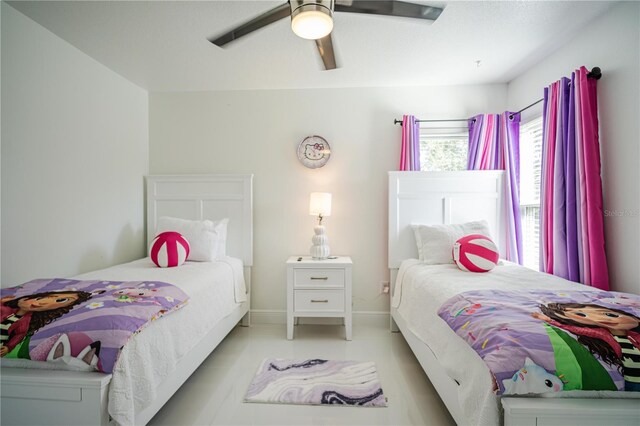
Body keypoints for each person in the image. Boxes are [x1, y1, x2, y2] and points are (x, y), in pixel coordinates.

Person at [532, 302, 640, 391]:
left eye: (611, 315)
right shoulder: (604, 334)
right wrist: (550, 320)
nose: (604, 320)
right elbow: (579, 330)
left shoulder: (635, 337)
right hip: (631, 380)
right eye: (582, 316)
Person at [0, 290, 92, 358]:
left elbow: (19, 336)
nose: (41, 302)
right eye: (39, 298)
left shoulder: (25, 322)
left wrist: (8, 348)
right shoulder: (6, 309)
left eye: (61, 300)